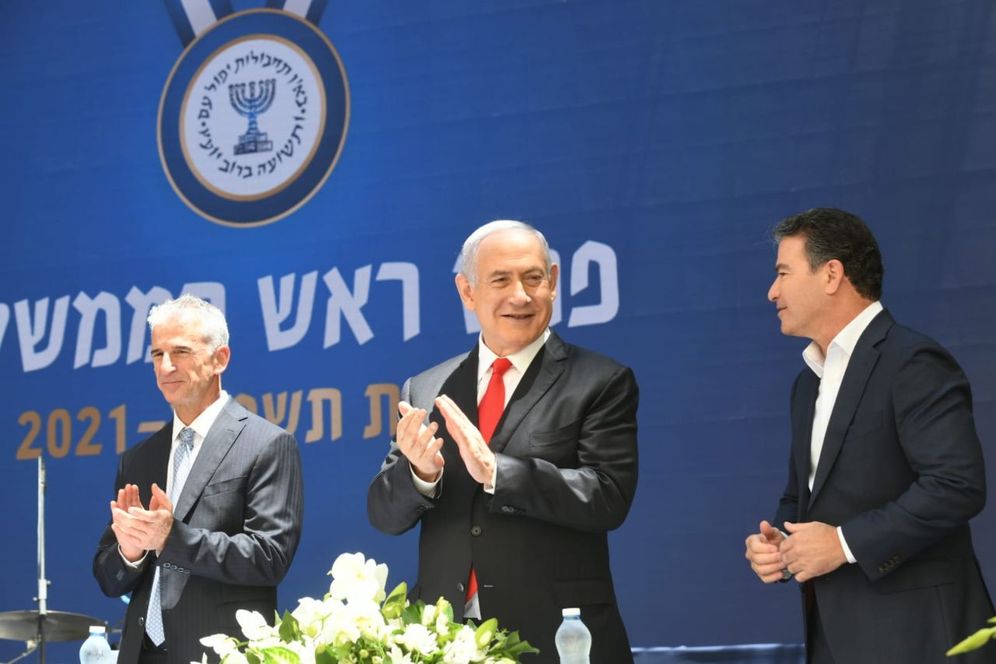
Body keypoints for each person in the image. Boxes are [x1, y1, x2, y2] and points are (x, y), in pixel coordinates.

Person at [367, 220, 638, 663]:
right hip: (444, 639)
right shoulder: (427, 387)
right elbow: (383, 514)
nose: (521, 295)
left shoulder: (599, 381)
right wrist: (419, 474)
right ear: (468, 292)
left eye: (534, 278)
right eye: (501, 280)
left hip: (555, 635)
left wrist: (498, 472)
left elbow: (607, 496)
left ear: (552, 283)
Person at [744, 208, 993, 663]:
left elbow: (957, 486)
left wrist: (841, 544)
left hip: (920, 638)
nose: (772, 291)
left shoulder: (912, 361)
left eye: (783, 273)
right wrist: (780, 543)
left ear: (832, 274)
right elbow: (803, 496)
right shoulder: (808, 382)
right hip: (835, 638)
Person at [92, 294, 304, 664]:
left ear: (220, 358)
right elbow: (109, 579)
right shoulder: (139, 459)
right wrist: (130, 551)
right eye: (157, 354)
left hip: (222, 654)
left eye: (181, 352)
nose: (166, 366)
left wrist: (170, 537)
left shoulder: (266, 444)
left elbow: (269, 558)